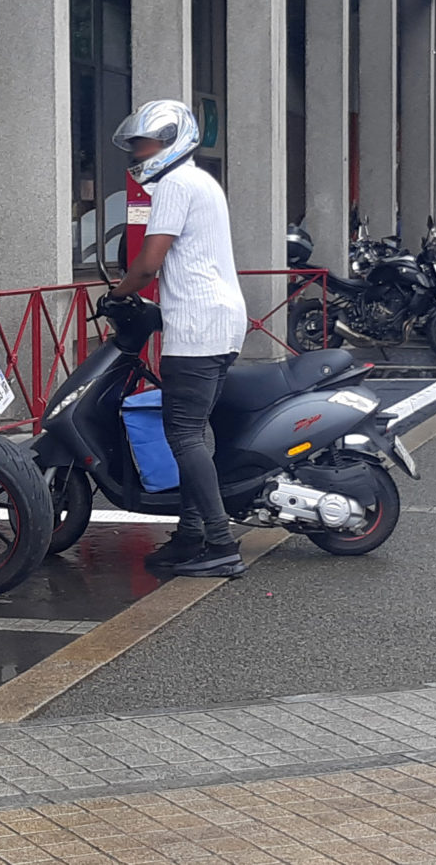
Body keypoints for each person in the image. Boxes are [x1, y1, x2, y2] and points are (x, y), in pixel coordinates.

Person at [107, 100, 250, 579]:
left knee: (184, 435)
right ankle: (192, 536)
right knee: (193, 432)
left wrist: (116, 295)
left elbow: (149, 262)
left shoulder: (172, 184)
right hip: (218, 321)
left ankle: (220, 542)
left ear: (169, 142)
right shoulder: (200, 181)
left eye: (143, 143)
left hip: (198, 327)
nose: (137, 152)